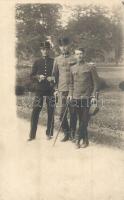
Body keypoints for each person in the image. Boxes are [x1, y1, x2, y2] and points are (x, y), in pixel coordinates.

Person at [68, 48, 99, 148]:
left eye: (81, 53)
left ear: (84, 54)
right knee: (81, 120)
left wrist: (94, 96)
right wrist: (70, 94)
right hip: (76, 98)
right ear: (74, 56)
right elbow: (71, 84)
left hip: (87, 98)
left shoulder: (90, 67)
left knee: (84, 120)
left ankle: (77, 138)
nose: (79, 56)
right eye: (77, 54)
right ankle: (86, 141)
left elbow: (96, 83)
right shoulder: (72, 68)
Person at [28, 41, 55, 141]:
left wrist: (53, 78)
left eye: (47, 49)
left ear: (49, 50)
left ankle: (49, 133)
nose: (45, 51)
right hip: (39, 90)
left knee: (51, 111)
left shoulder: (53, 62)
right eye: (43, 49)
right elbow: (31, 76)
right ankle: (32, 135)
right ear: (41, 50)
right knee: (35, 111)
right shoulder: (37, 62)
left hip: (51, 90)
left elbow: (57, 75)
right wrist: (38, 76)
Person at [52, 37, 76, 142]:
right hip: (62, 90)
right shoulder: (57, 59)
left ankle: (72, 134)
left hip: (74, 90)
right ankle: (66, 132)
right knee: (61, 113)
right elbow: (54, 76)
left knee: (73, 113)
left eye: (65, 45)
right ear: (59, 47)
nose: (63, 48)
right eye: (61, 46)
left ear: (69, 46)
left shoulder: (75, 58)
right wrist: (56, 89)